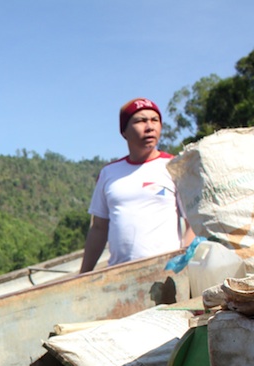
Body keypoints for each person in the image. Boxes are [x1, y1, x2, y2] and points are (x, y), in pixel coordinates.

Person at [80, 97, 192, 273]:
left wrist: (183, 260)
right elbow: (99, 228)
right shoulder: (109, 173)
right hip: (119, 274)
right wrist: (83, 275)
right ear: (124, 131)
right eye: (140, 121)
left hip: (166, 271)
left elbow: (191, 221)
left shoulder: (174, 166)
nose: (150, 127)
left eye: (155, 120)